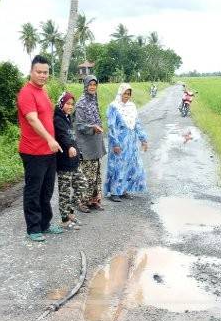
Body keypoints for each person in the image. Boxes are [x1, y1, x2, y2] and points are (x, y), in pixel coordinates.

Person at [17, 55, 63, 242]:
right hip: (33, 151)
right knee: (34, 191)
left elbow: (47, 118)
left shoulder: (43, 92)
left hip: (48, 150)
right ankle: (33, 228)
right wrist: (48, 139)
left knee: (47, 190)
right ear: (31, 71)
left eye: (46, 72)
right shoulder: (26, 93)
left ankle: (45, 223)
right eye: (39, 72)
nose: (43, 75)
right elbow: (32, 119)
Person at [104, 83, 149, 202]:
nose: (127, 96)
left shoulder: (132, 106)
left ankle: (123, 190)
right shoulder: (113, 106)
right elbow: (111, 126)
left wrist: (143, 139)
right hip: (119, 141)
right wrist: (115, 143)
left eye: (129, 94)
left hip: (131, 142)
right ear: (120, 93)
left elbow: (137, 124)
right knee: (117, 165)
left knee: (129, 165)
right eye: (125, 93)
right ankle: (114, 192)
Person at [53, 92, 88, 230]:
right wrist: (70, 146)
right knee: (65, 192)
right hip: (64, 162)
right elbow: (62, 136)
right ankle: (64, 219)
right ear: (61, 103)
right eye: (67, 103)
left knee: (83, 184)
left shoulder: (68, 118)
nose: (70, 106)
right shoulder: (57, 119)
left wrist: (77, 150)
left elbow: (72, 136)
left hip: (74, 161)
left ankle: (71, 212)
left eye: (72, 104)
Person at [74, 75, 107, 211]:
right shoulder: (81, 103)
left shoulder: (94, 100)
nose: (93, 87)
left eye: (95, 84)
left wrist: (97, 127)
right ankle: (81, 203)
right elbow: (79, 125)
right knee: (86, 174)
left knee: (96, 173)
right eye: (90, 84)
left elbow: (96, 119)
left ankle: (93, 200)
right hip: (85, 145)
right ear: (86, 86)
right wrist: (93, 128)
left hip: (95, 143)